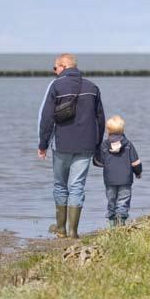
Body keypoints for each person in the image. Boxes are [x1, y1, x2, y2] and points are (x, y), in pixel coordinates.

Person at [38, 53, 105, 238]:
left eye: (55, 68)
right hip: (86, 145)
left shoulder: (56, 86)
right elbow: (100, 119)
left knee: (60, 185)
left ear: (63, 66)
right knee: (77, 187)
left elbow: (46, 118)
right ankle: (74, 232)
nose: (54, 71)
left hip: (61, 144)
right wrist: (98, 146)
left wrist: (42, 144)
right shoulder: (92, 87)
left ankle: (61, 229)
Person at [93, 115, 142, 227]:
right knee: (123, 201)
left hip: (110, 180)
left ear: (108, 130)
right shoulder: (128, 145)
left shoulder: (104, 145)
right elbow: (136, 163)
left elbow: (99, 162)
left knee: (111, 201)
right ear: (122, 130)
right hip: (125, 179)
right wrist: (138, 173)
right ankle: (121, 222)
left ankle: (112, 223)